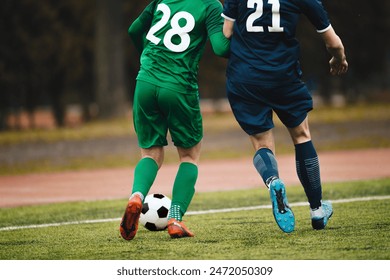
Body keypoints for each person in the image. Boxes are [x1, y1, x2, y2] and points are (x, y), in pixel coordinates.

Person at [221, 0, 348, 233]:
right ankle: (317, 211)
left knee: (261, 143)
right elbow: (333, 42)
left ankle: (273, 181)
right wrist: (338, 58)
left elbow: (226, 33)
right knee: (301, 136)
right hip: (284, 76)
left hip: (245, 77)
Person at [120, 0, 230, 240]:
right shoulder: (210, 5)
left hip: (146, 82)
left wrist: (148, 59)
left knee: (150, 154)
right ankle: (175, 219)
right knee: (189, 156)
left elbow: (133, 30)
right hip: (179, 87)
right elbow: (221, 48)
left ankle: (136, 197)